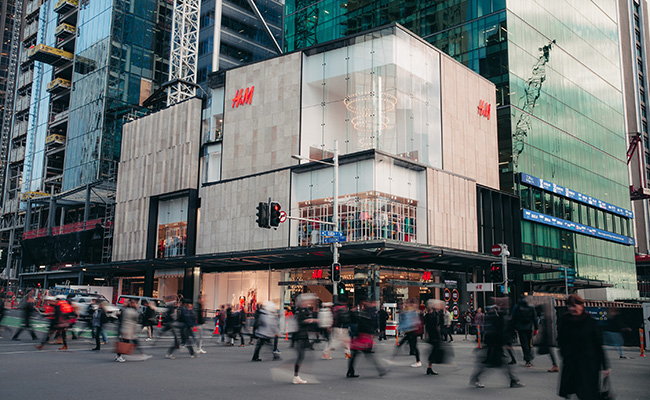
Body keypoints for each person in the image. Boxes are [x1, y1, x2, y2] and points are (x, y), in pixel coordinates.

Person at [558, 294, 610, 399]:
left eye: (574, 306)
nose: (572, 309)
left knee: (588, 394)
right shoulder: (565, 320)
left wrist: (605, 366)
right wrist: (565, 355)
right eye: (570, 306)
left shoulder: (590, 322)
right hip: (571, 364)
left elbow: (598, 345)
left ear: (581, 306)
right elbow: (561, 340)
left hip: (589, 365)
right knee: (572, 393)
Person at [469, 298, 524, 389]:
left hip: (494, 344)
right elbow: (498, 330)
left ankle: (513, 380)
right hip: (495, 344)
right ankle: (513, 380)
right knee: (496, 363)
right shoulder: (498, 314)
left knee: (493, 363)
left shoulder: (497, 314)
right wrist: (505, 342)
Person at [346, 300, 387, 378]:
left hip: (359, 335)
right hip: (364, 336)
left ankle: (350, 371)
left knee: (355, 354)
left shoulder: (362, 312)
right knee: (368, 354)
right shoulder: (370, 313)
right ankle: (380, 370)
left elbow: (358, 323)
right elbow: (372, 324)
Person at [292, 293, 318, 384]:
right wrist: (311, 320)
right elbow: (300, 322)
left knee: (303, 355)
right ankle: (295, 375)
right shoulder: (299, 310)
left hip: (303, 335)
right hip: (299, 335)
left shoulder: (304, 310)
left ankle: (296, 375)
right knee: (301, 355)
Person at [392, 298, 422, 368]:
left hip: (412, 331)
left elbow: (413, 321)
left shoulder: (412, 311)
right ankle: (393, 357)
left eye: (407, 303)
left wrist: (401, 328)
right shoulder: (408, 311)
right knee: (402, 344)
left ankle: (418, 361)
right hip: (409, 331)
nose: (405, 304)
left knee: (413, 346)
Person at [511, 296, 538, 367]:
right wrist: (536, 328)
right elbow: (535, 318)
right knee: (529, 343)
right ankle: (529, 359)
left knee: (524, 344)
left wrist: (514, 327)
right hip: (529, 328)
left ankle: (527, 360)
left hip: (521, 328)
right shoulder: (531, 307)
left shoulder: (517, 307)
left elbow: (513, 318)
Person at [534, 304, 559, 372]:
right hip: (547, 336)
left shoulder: (543, 317)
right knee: (550, 351)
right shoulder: (545, 316)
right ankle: (555, 365)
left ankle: (555, 365)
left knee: (550, 351)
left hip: (546, 337)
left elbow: (546, 328)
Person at [423, 299, 443, 376]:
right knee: (434, 350)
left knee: (434, 350)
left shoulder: (435, 314)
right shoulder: (428, 316)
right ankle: (429, 366)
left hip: (434, 335)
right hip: (433, 335)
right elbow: (432, 324)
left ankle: (429, 367)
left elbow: (440, 321)